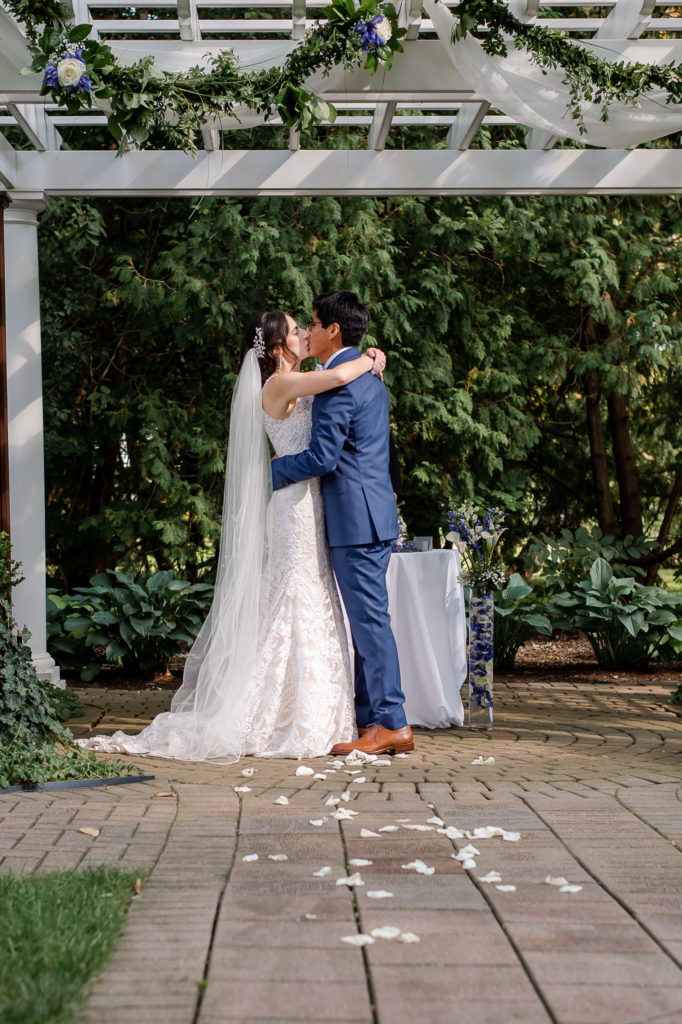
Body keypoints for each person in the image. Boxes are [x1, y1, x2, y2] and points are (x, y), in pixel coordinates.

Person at [76, 309, 386, 761]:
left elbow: (334, 390)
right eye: (297, 330)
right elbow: (340, 377)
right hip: (293, 505)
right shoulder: (278, 385)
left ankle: (319, 709)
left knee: (315, 594)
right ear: (278, 347)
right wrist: (373, 359)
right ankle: (281, 714)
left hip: (312, 503)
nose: (304, 333)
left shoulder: (302, 379)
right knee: (295, 595)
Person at [271, 291, 413, 756]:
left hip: (356, 519)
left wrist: (264, 475)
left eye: (312, 324)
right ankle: (372, 718)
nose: (308, 332)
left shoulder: (340, 383)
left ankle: (391, 722)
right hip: (372, 515)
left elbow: (322, 457)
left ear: (333, 330)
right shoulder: (369, 375)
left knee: (370, 623)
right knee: (369, 621)